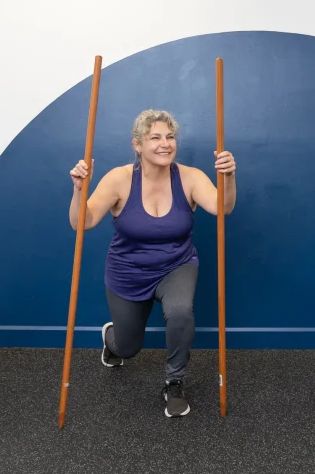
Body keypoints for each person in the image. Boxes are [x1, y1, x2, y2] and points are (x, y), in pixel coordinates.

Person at [68, 109, 236, 417]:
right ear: (137, 145)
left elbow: (222, 208)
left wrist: (229, 176)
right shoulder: (119, 179)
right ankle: (111, 339)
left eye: (170, 137)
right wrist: (79, 191)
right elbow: (84, 221)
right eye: (155, 137)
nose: (165, 144)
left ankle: (174, 382)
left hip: (177, 264)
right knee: (129, 347)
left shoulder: (190, 177)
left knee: (181, 311)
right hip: (127, 272)